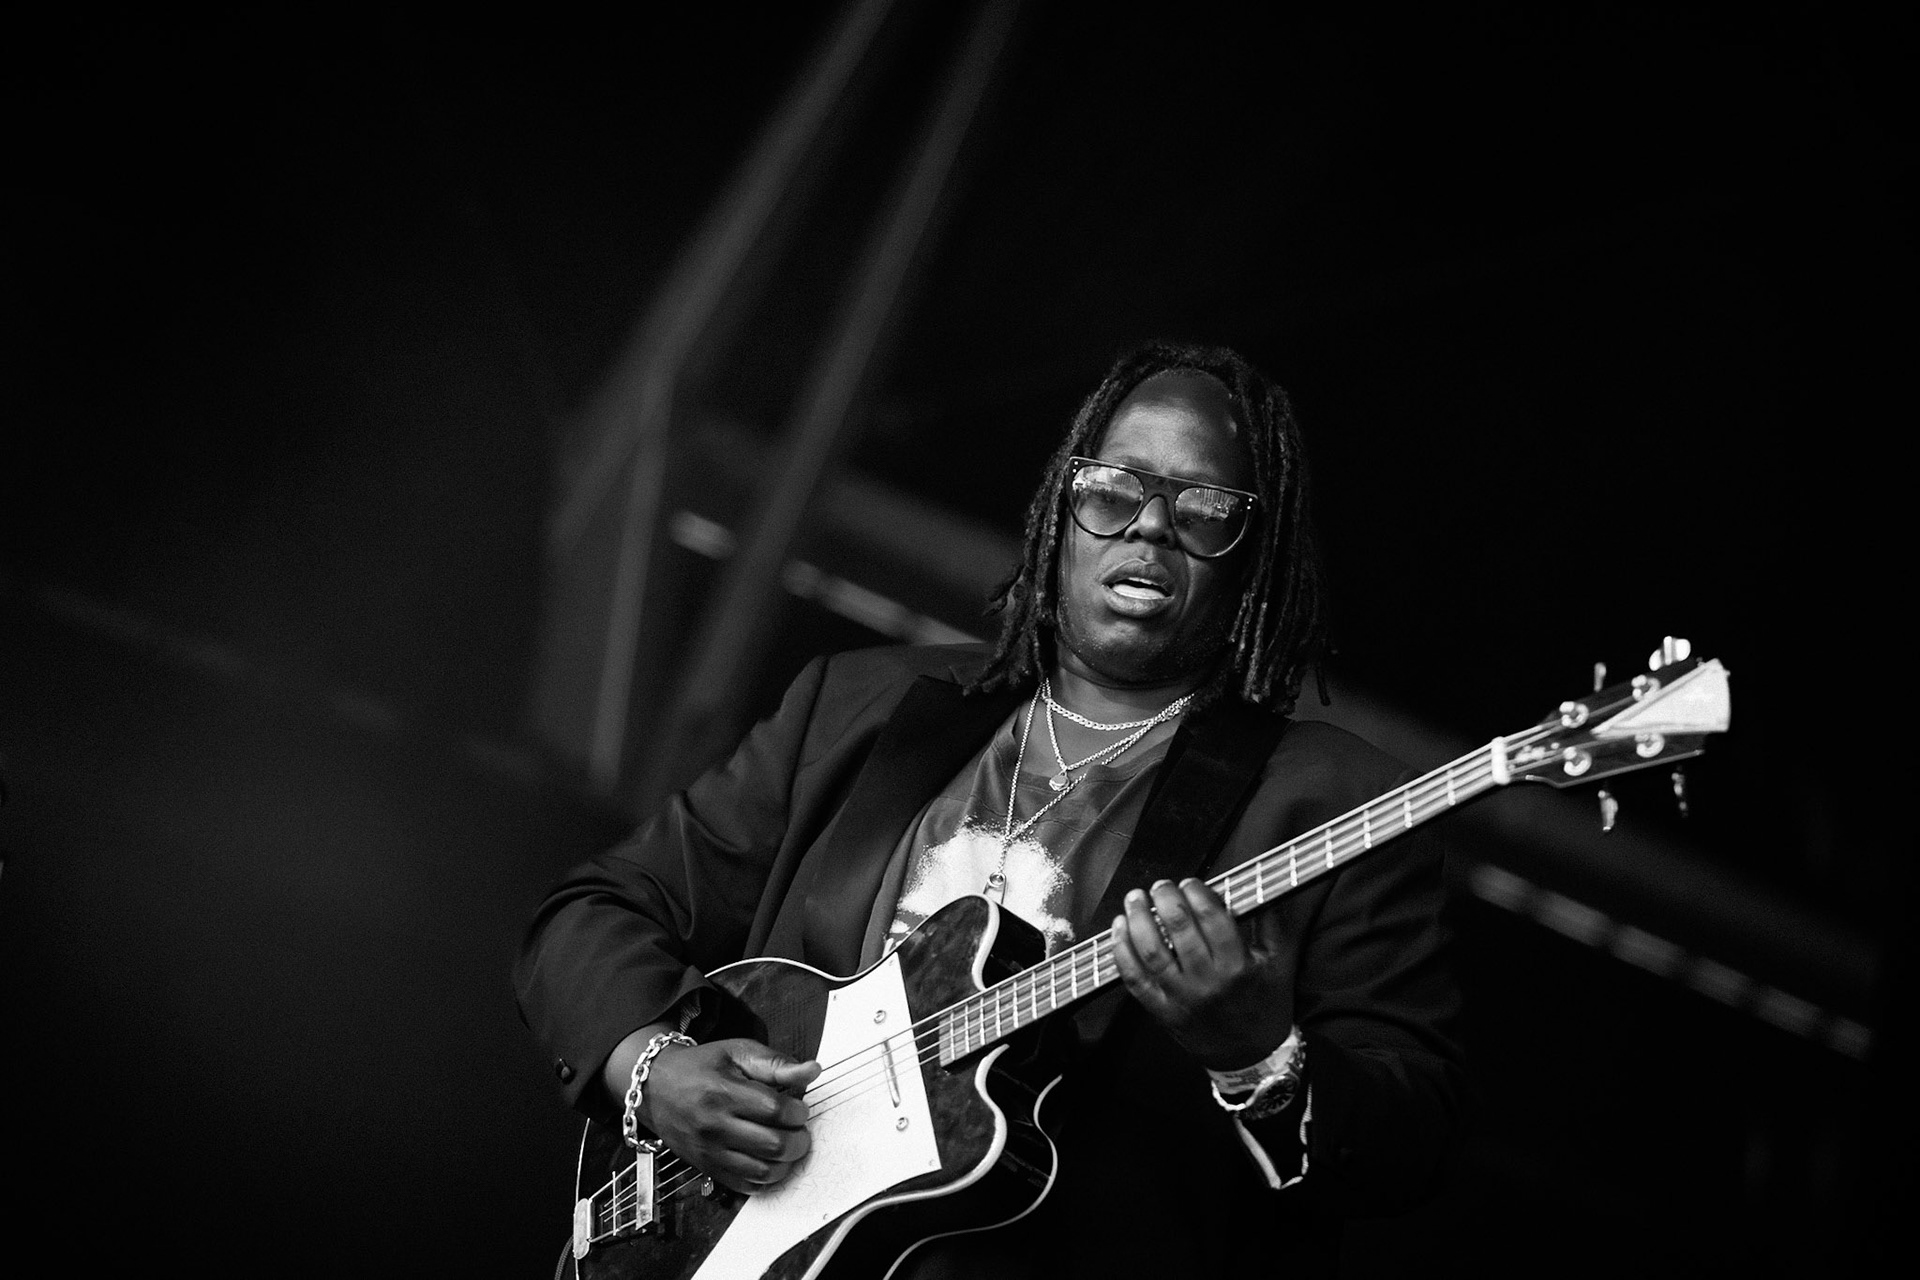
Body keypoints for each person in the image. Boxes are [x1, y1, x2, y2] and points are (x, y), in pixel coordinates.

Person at [515, 339, 1468, 1278]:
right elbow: (596, 908)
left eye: (1206, 507)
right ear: (1062, 511)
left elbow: (1406, 1144)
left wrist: (1261, 1054)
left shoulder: (1338, 802)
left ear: (1251, 556)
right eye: (1113, 489)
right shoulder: (855, 706)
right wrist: (652, 1068)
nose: (1149, 527)